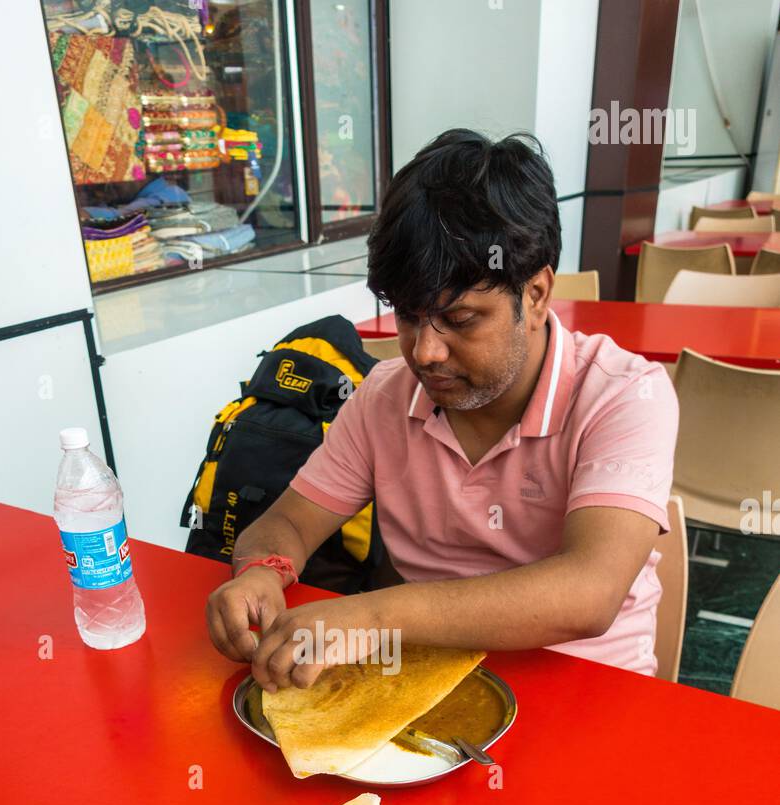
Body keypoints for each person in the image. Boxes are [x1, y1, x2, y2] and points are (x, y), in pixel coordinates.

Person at [206, 129, 678, 694]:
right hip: (428, 687)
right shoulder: (384, 395)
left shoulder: (624, 395)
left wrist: (373, 618)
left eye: (460, 320)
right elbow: (287, 523)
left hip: (588, 690)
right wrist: (263, 570)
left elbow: (589, 592)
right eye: (408, 316)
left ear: (535, 295)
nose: (425, 353)